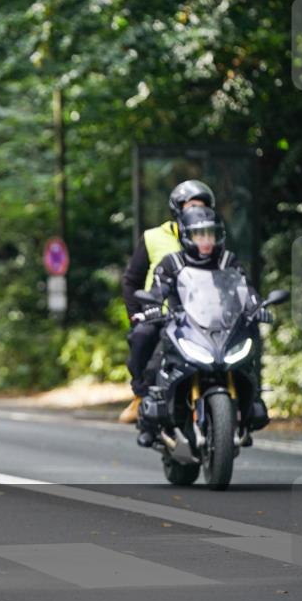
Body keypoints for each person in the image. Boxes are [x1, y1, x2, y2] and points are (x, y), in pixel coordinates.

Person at [135, 205, 272, 448]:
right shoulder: (172, 262)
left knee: (251, 344)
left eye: (210, 234)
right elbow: (158, 290)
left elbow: (247, 289)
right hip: (183, 326)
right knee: (156, 359)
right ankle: (149, 420)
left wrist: (257, 306)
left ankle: (252, 405)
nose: (206, 241)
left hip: (223, 327)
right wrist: (152, 306)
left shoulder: (228, 260)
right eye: (200, 235)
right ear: (187, 236)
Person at [119, 179, 217, 423]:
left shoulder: (210, 237)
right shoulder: (154, 237)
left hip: (204, 314)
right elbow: (131, 280)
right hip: (162, 311)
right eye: (191, 205)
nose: (196, 211)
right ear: (178, 209)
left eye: (201, 206)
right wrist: (137, 313)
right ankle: (141, 395)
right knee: (143, 337)